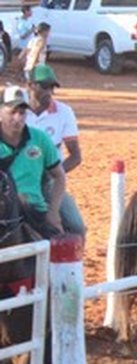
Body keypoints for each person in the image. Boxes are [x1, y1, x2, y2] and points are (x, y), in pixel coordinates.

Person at [24, 64, 83, 238]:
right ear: (30, 85)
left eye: (52, 87)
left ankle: (72, 265)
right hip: (20, 181)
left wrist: (54, 174)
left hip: (50, 183)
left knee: (76, 226)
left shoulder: (64, 112)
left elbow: (76, 155)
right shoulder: (17, 112)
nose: (48, 91)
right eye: (44, 86)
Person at [0, 85, 65, 238]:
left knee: (74, 229)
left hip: (34, 209)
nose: (18, 118)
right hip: (2, 212)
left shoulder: (40, 139)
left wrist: (53, 212)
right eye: (12, 112)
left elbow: (59, 176)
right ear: (1, 112)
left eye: (22, 113)